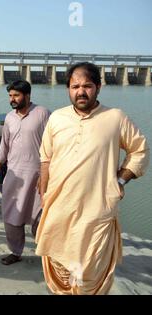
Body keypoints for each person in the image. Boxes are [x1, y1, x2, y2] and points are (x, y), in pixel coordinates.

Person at [36, 62, 149, 295]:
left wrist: (120, 181)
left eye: (87, 85)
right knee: (60, 267)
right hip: (59, 209)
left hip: (98, 210)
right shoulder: (56, 118)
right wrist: (43, 195)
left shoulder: (115, 117)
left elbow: (140, 150)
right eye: (75, 86)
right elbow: (45, 159)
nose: (81, 91)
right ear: (68, 89)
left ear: (98, 87)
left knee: (89, 272)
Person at [0, 80, 50, 265]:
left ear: (27, 95)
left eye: (16, 95)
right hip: (14, 175)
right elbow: (4, 146)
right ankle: (15, 252)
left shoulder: (43, 114)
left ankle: (46, 253)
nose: (12, 99)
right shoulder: (9, 117)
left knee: (41, 218)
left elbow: (54, 146)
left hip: (38, 176)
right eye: (10, 96)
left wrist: (46, 174)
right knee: (11, 215)